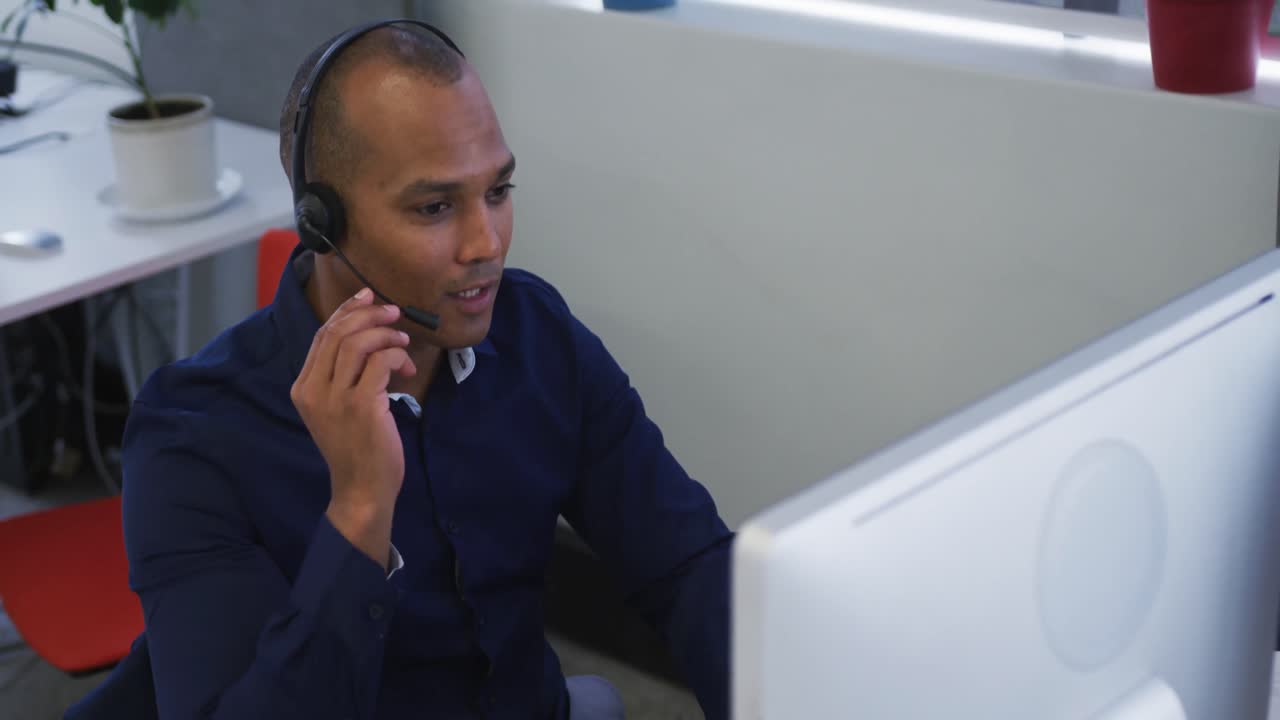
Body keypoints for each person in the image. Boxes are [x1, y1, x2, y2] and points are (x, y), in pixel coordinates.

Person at [116, 19, 732, 720]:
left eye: (498, 192)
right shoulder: (193, 435)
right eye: (435, 207)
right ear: (321, 221)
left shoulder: (538, 336)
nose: (487, 244)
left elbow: (687, 566)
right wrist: (358, 512)